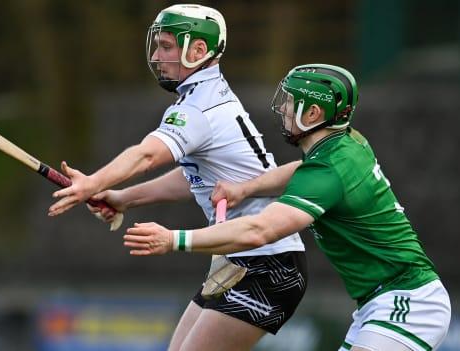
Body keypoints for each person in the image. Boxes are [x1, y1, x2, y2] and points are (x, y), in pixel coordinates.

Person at [124, 64, 452, 351]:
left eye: (290, 102)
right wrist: (246, 188)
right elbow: (299, 170)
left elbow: (260, 230)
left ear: (313, 115)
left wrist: (173, 240)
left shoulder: (329, 171)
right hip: (380, 301)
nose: (281, 109)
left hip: (408, 301)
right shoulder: (346, 143)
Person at [48, 4, 308, 350]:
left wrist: (92, 184)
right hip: (242, 260)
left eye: (166, 46)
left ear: (198, 50)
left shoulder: (199, 108)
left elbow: (146, 154)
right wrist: (124, 198)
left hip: (269, 265)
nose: (156, 56)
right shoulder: (204, 96)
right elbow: (194, 178)